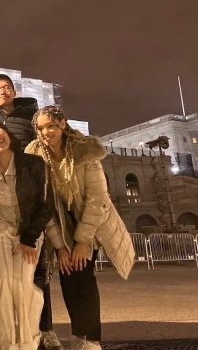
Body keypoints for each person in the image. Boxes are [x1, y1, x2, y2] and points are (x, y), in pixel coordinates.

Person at [27, 106, 135, 350]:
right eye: (41, 128)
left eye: (51, 126)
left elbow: (97, 197)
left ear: (62, 124)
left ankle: (92, 339)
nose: (46, 132)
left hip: (90, 219)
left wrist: (83, 240)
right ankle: (78, 337)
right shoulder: (36, 155)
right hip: (58, 222)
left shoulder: (84, 151)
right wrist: (61, 247)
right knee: (67, 277)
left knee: (83, 277)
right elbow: (45, 206)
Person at [0, 74, 61, 349]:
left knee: (37, 270)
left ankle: (45, 329)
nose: (2, 92)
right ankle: (11, 330)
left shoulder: (30, 117)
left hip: (28, 197)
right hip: (3, 199)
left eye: (6, 88)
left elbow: (42, 148)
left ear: (13, 91)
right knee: (4, 276)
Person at [0, 118, 55, 350]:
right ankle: (6, 342)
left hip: (27, 234)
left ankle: (29, 342)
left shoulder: (34, 163)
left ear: (6, 131)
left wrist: (29, 238)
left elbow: (46, 203)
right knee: (1, 284)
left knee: (23, 284)